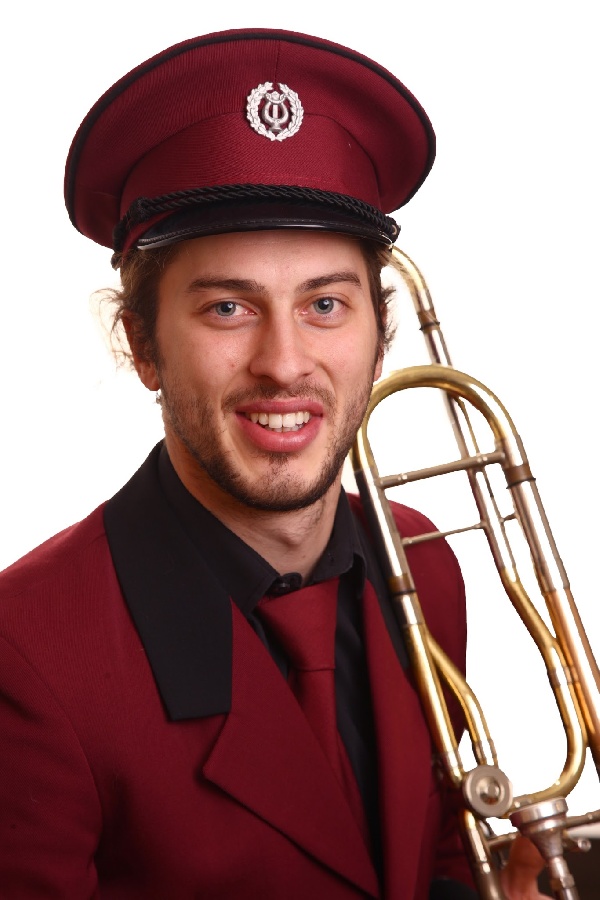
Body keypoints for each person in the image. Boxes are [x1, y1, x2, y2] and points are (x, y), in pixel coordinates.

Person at [0, 28, 549, 899]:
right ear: (142, 345)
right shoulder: (24, 654)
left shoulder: (423, 565)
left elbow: (432, 861)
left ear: (379, 335)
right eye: (229, 308)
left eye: (325, 304)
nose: (286, 364)